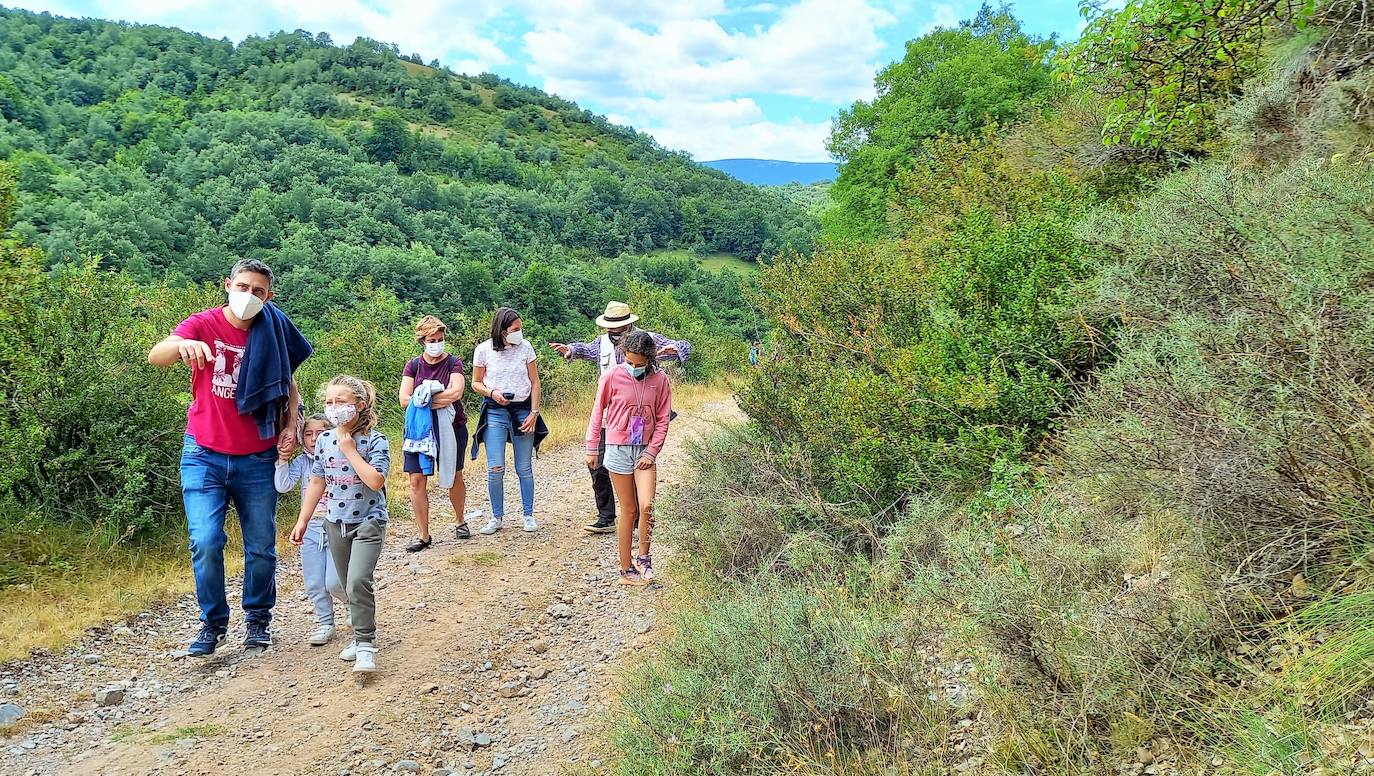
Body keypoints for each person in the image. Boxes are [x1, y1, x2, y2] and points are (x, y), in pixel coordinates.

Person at [147, 258, 311, 657]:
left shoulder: (273, 328)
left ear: (268, 296)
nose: (248, 296)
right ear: (227, 285)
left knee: (260, 545)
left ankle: (257, 619)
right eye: (242, 287)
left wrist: (291, 426)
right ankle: (213, 623)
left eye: (257, 291)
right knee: (205, 540)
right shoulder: (203, 323)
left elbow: (287, 383)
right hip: (203, 453)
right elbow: (158, 354)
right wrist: (181, 345)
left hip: (257, 456)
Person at [549, 301, 691, 535]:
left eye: (618, 330)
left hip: (639, 420)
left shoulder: (647, 340)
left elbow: (683, 345)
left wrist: (675, 349)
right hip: (611, 417)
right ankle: (606, 517)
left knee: (636, 466)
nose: (613, 335)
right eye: (610, 330)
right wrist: (570, 350)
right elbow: (586, 350)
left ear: (629, 325)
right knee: (598, 466)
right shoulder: (603, 343)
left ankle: (636, 520)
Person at [290, 375, 391, 675]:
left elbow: (376, 480)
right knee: (346, 587)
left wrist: (349, 449)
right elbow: (317, 480)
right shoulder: (323, 440)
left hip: (369, 522)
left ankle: (365, 645)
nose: (334, 409)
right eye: (329, 402)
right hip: (334, 523)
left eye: (341, 402)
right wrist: (303, 520)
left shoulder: (376, 439)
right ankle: (361, 631)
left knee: (359, 580)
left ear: (359, 405)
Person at [584, 330, 672, 586]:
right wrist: (592, 447)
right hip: (618, 447)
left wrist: (652, 451)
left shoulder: (660, 380)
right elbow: (597, 411)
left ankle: (644, 558)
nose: (633, 367)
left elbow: (664, 419)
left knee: (647, 506)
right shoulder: (613, 375)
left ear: (649, 359)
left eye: (639, 364)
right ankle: (626, 569)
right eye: (629, 362)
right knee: (629, 508)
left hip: (645, 450)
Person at [470, 307, 548, 535]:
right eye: (515, 329)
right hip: (495, 410)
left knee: (523, 467)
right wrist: (492, 392)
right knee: (495, 467)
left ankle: (528, 514)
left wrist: (534, 412)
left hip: (523, 409)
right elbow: (476, 382)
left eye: (520, 329)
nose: (519, 333)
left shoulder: (526, 348)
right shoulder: (483, 350)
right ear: (502, 330)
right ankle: (496, 516)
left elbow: (535, 382)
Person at [399, 315, 470, 551]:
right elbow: (404, 399)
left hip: (452, 428)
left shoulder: (453, 363)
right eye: (432, 339)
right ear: (422, 341)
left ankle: (460, 520)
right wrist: (432, 400)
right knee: (417, 480)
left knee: (454, 474)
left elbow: (456, 392)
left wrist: (423, 399)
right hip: (419, 431)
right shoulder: (413, 365)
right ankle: (424, 535)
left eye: (440, 339)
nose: (437, 343)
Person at [275, 413, 347, 646]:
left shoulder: (341, 454)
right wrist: (283, 460)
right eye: (308, 434)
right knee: (315, 582)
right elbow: (283, 486)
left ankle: (354, 607)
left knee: (335, 582)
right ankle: (326, 623)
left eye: (320, 433)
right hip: (311, 528)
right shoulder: (302, 462)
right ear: (301, 438)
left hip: (338, 524)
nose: (314, 439)